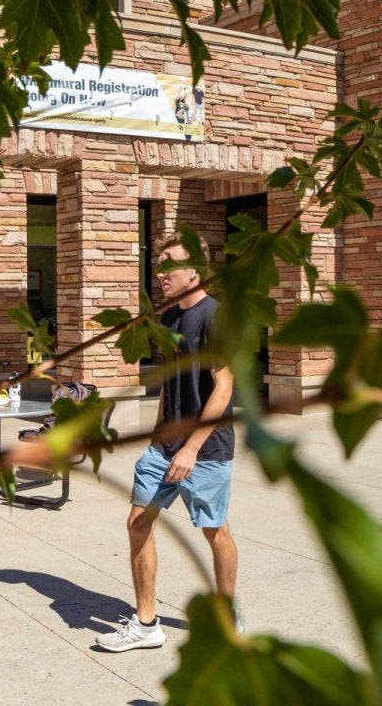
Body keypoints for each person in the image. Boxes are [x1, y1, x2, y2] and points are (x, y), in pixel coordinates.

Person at [98, 235, 238, 652]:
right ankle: (146, 623)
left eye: (168, 267)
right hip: (164, 448)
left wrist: (192, 448)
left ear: (194, 270)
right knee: (138, 523)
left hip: (207, 450)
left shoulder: (216, 317)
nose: (160, 277)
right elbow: (169, 386)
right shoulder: (171, 322)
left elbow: (223, 388)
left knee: (215, 531)